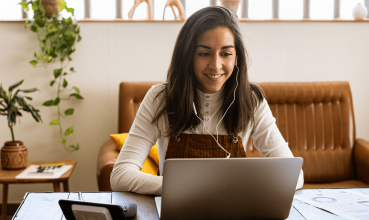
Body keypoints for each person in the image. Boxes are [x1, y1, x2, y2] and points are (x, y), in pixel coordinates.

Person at [111, 6, 304, 195]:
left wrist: (246, 188)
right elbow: (120, 175)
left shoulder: (251, 100)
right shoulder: (159, 98)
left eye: (226, 54)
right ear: (187, 55)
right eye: (204, 53)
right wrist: (183, 189)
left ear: (236, 57)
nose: (216, 65)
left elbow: (295, 175)